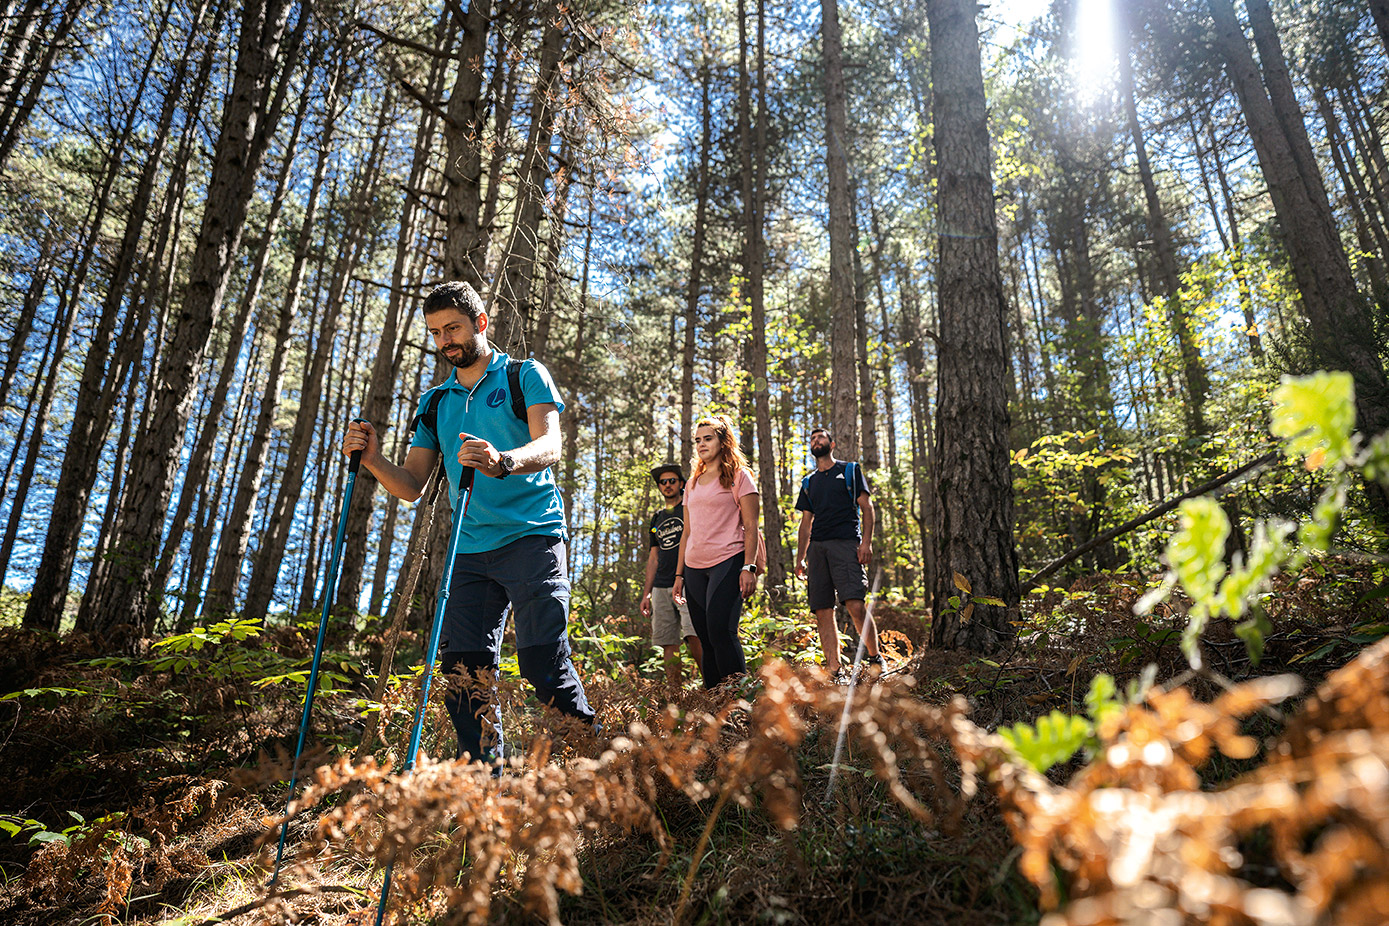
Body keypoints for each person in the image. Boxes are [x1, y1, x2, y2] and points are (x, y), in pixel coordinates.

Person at [341, 281, 592, 764]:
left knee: (542, 660)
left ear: (480, 323)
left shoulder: (523, 375)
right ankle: (485, 788)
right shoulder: (436, 402)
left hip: (533, 536)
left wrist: (504, 461)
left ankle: (593, 764)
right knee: (463, 674)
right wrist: (372, 458)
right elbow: (413, 484)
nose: (445, 341)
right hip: (470, 551)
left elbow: (551, 446)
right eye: (435, 333)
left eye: (452, 328)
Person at [673, 414, 761, 689]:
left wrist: (749, 567)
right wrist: (679, 575)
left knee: (721, 631)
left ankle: (740, 701)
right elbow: (686, 532)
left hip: (729, 560)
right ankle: (714, 705)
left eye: (708, 438)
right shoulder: (692, 482)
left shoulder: (739, 476)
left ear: (723, 442)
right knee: (705, 637)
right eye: (698, 440)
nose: (701, 444)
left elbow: (751, 525)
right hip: (694, 567)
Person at [794, 427, 882, 680]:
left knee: (855, 603)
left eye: (821, 437)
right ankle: (835, 671)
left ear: (831, 445)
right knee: (822, 610)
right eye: (812, 438)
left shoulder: (850, 470)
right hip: (817, 549)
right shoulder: (809, 482)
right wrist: (801, 556)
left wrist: (866, 543)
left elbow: (867, 507)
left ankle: (876, 659)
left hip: (846, 543)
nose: (816, 441)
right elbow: (805, 523)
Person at [639, 464, 704, 684]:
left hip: (688, 581)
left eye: (672, 481)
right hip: (660, 586)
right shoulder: (657, 518)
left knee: (694, 635)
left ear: (681, 484)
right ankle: (676, 697)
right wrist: (647, 593)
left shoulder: (689, 509)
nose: (667, 485)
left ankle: (712, 688)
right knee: (668, 642)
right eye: (663, 482)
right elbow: (653, 557)